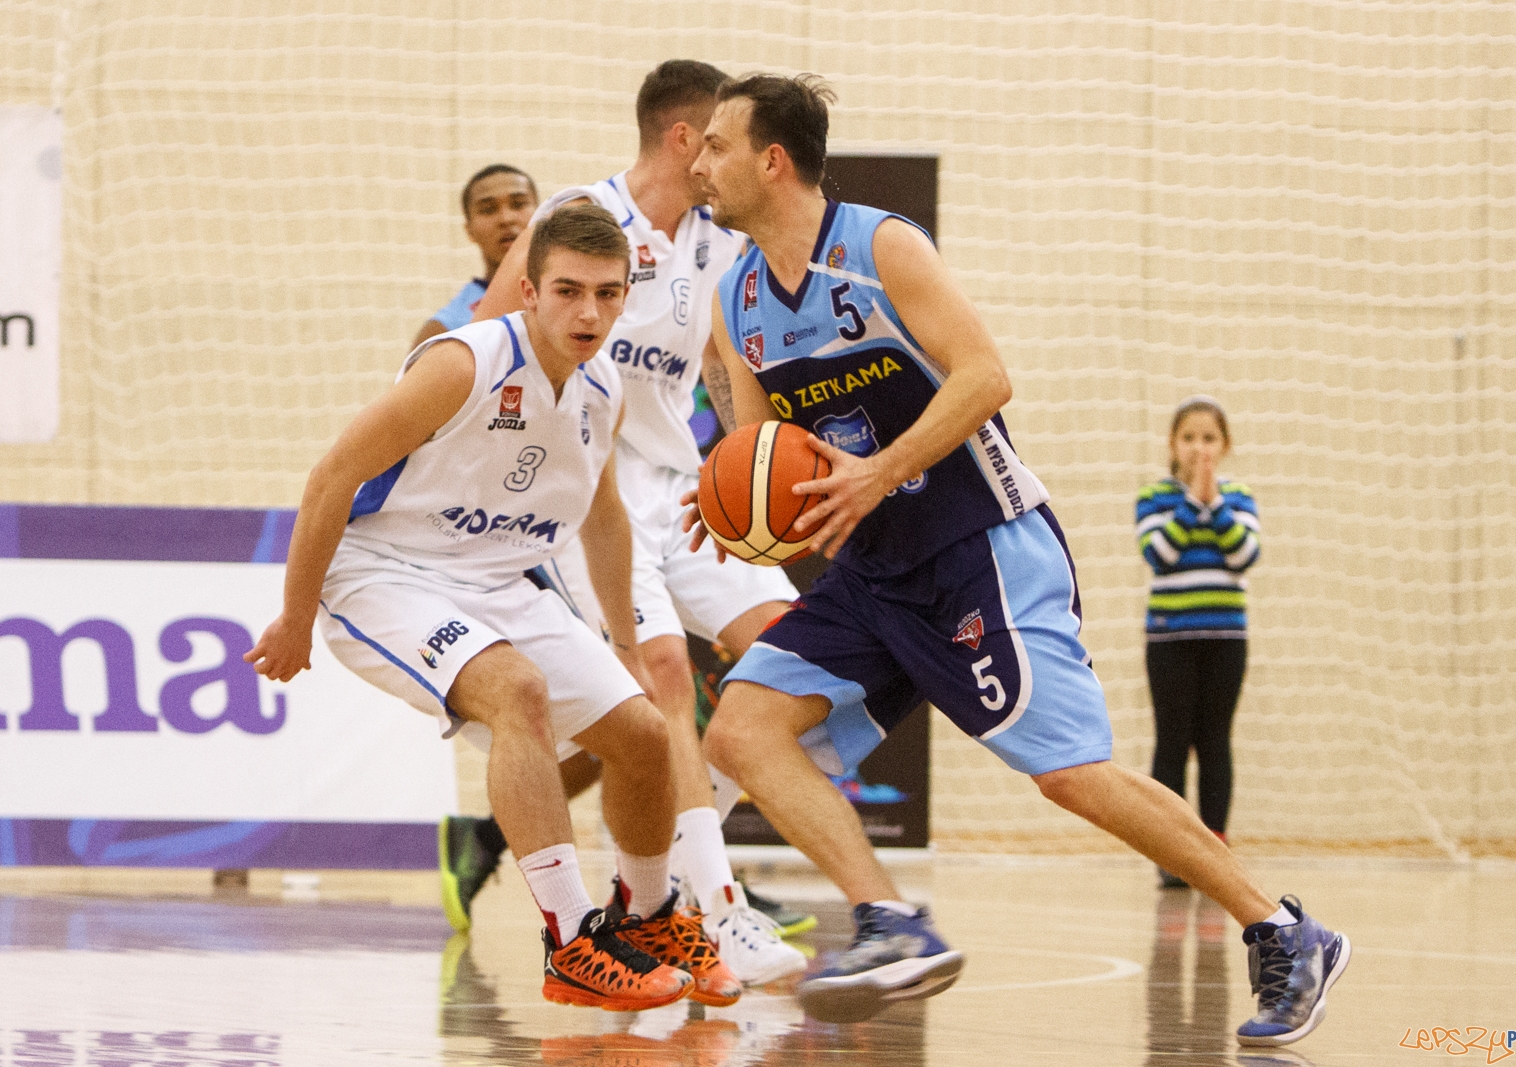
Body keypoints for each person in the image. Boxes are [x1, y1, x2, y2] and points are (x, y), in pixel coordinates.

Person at [684, 73, 1349, 1046]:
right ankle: (889, 920)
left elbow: (986, 376)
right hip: (871, 576)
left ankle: (1284, 928)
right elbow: (757, 453)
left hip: (976, 544)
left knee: (1071, 773)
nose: (697, 161)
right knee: (740, 731)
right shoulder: (735, 300)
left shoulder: (879, 248)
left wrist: (879, 472)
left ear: (770, 159)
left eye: (714, 144)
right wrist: (729, 506)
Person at [245, 204, 739, 1011]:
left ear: (626, 298)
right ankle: (571, 939)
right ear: (531, 292)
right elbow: (332, 474)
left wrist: (625, 640)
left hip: (501, 583)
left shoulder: (604, 386)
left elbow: (604, 517)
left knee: (647, 735)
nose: (587, 311)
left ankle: (646, 915)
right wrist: (295, 615)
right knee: (519, 692)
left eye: (607, 294)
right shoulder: (463, 364)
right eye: (568, 291)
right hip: (387, 575)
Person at [449, 59, 809, 987]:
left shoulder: (715, 245)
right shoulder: (580, 219)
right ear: (685, 140)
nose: (728, 157)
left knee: (791, 651)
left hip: (683, 485)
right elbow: (488, 342)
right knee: (657, 676)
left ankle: (672, 888)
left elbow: (727, 375)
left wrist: (760, 467)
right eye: (720, 137)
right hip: (585, 491)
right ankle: (714, 910)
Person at [1137, 396, 1260, 888]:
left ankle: (1213, 849)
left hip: (1226, 638)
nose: (1199, 448)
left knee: (1214, 741)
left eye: (1209, 439)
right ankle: (1171, 853)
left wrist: (1216, 504)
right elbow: (1159, 554)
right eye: (1189, 438)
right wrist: (1194, 502)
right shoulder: (1155, 498)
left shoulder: (1240, 497)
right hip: (1170, 639)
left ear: (1225, 446)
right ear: (1173, 444)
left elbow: (1245, 554)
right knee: (1172, 741)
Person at [410, 164, 539, 349]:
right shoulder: (446, 328)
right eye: (488, 209)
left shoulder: (575, 299)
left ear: (542, 216)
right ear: (469, 231)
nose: (506, 218)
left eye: (518, 204)